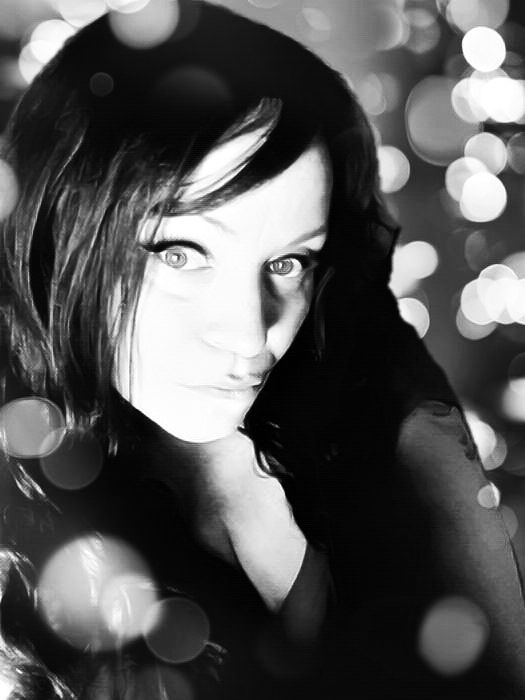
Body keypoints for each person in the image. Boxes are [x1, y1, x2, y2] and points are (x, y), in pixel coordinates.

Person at [1, 2, 525, 698]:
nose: (251, 335)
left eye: (288, 263)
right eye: (180, 252)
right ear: (59, 232)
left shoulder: (383, 426)